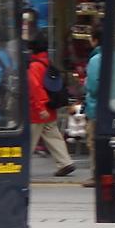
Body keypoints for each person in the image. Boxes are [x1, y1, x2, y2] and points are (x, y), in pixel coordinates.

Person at [27, 32, 75, 177]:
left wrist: (40, 107)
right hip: (50, 109)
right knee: (54, 137)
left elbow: (35, 88)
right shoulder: (48, 63)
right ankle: (65, 162)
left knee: (28, 140)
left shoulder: (34, 66)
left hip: (37, 111)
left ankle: (21, 166)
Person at [80, 28, 102, 187]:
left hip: (95, 108)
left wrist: (86, 83)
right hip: (113, 106)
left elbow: (93, 87)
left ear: (95, 40)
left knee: (94, 143)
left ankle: (96, 175)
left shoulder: (95, 59)